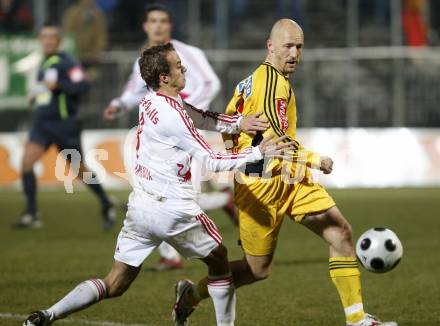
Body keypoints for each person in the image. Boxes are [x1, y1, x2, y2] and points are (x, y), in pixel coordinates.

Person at [22, 43, 293, 326]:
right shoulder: (173, 117)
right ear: (164, 77)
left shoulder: (151, 100)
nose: (183, 67)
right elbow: (212, 160)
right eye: (177, 65)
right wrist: (259, 153)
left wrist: (238, 123)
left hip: (141, 207)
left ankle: (48, 314)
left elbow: (198, 115)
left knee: (114, 283)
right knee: (220, 261)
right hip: (174, 210)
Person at [173, 19, 398, 326]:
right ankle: (190, 294)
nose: (294, 53)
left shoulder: (264, 80)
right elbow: (273, 138)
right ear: (270, 46)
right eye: (288, 46)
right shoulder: (269, 82)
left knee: (341, 232)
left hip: (290, 178)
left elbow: (234, 125)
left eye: (299, 47)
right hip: (260, 188)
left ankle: (357, 319)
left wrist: (243, 150)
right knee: (256, 270)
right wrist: (313, 158)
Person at [103, 4, 236, 271]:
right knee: (151, 191)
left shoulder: (187, 54)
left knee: (186, 195)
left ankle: (224, 201)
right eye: (153, 20)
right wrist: (118, 104)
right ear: (145, 26)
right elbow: (133, 89)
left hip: (186, 131)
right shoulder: (144, 59)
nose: (158, 26)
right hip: (158, 135)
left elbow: (211, 83)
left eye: (163, 21)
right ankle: (171, 256)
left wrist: (183, 109)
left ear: (169, 26)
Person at [12, 22, 116, 230]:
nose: (48, 40)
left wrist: (59, 86)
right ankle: (32, 214)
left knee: (79, 170)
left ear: (58, 40)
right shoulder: (46, 61)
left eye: (51, 37)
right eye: (44, 36)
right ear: (40, 39)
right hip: (42, 123)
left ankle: (106, 203)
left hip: (64, 125)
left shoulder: (68, 62)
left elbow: (83, 85)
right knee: (26, 163)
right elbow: (47, 90)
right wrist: (36, 93)